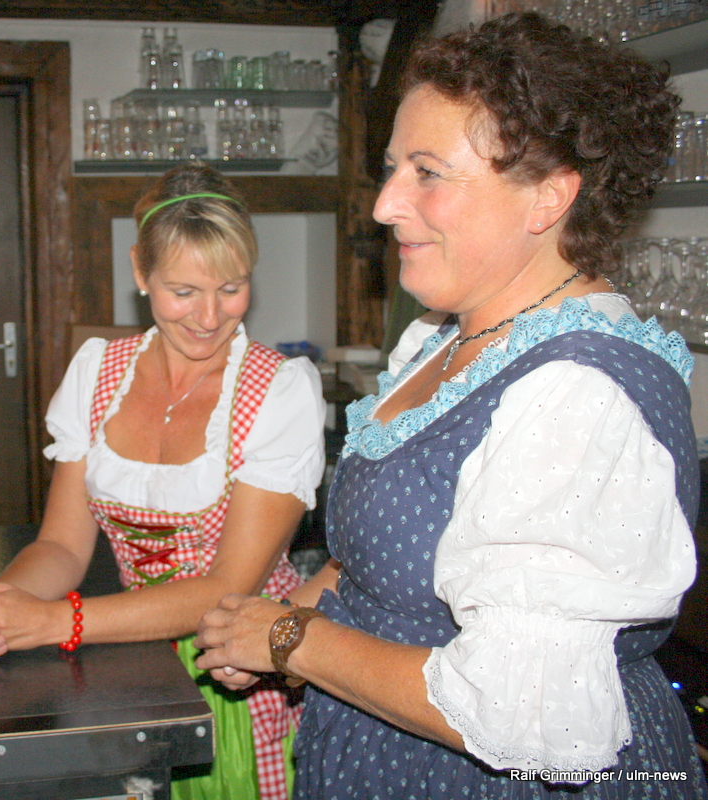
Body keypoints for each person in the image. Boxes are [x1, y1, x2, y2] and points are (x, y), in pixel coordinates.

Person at [194, 13, 708, 799]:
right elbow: (381, 557)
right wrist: (274, 622)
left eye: (427, 172)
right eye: (393, 169)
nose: (385, 205)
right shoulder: (445, 341)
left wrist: (294, 640)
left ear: (547, 198)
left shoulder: (577, 398)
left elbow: (526, 717)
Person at [0, 163, 327, 800]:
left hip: (239, 670)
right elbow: (62, 546)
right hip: (126, 662)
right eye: (184, 291)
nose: (209, 315)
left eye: (231, 288)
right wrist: (1, 608)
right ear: (140, 272)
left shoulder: (279, 391)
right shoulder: (97, 372)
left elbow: (228, 587)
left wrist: (53, 623)